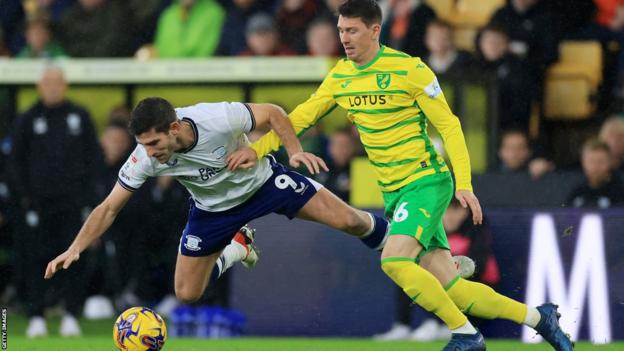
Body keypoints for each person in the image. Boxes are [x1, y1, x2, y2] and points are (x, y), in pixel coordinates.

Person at [235, 1, 574, 349]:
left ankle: (466, 335)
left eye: (351, 30)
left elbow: (449, 125)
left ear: (374, 30)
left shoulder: (409, 69)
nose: (344, 38)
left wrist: (465, 183)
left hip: (426, 181)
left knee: (394, 260)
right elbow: (302, 117)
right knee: (454, 288)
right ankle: (539, 317)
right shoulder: (340, 76)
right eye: (340, 30)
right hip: (394, 192)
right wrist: (256, 149)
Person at [44, 97, 391, 309]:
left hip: (264, 184)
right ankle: (238, 248)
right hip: (212, 212)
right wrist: (76, 247)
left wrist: (295, 151)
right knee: (186, 294)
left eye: (154, 143)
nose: (150, 153)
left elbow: (272, 112)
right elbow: (108, 207)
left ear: (174, 127)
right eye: (144, 145)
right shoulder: (145, 158)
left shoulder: (216, 118)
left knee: (350, 222)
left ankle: (406, 241)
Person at [11, 65, 103, 337]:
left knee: (73, 259)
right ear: (39, 87)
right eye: (48, 82)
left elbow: (94, 160)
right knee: (34, 259)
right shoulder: (27, 118)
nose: (52, 87)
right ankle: (36, 315)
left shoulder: (79, 116)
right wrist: (24, 200)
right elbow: (15, 163)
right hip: (37, 206)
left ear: (65, 86)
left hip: (73, 205)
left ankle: (70, 314)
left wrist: (90, 200)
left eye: (57, 82)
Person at [566, 138, 624, 209]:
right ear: (583, 162)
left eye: (601, 161)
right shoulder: (577, 193)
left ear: (609, 162)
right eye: (591, 161)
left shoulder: (619, 191)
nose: (596, 166)